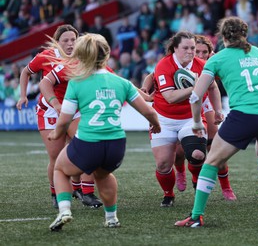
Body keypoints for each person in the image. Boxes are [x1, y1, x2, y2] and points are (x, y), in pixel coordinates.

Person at [175, 16, 258, 227]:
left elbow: (195, 96)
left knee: (211, 162)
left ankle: (196, 216)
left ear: (222, 37)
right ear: (245, 34)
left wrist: (197, 123)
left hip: (244, 115)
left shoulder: (217, 59)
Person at [47, 33, 160, 231]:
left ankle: (64, 210)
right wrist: (156, 125)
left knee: (60, 169)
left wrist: (56, 134)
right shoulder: (122, 82)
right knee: (103, 175)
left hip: (89, 143)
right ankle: (111, 217)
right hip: (116, 144)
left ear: (81, 56)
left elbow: (65, 119)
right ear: (107, 55)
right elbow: (148, 111)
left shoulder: (77, 82)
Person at [16, 24, 102, 209]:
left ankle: (85, 192)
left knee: (86, 147)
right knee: (56, 156)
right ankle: (56, 193)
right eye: (66, 40)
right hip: (50, 110)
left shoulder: (83, 56)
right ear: (57, 42)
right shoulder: (45, 57)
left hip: (75, 108)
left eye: (73, 40)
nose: (70, 44)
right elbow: (26, 72)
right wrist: (23, 95)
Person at [150, 31, 223, 207]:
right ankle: (169, 194)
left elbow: (212, 87)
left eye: (192, 48)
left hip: (191, 118)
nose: (190, 52)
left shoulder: (202, 65)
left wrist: (218, 109)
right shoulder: (164, 65)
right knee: (163, 165)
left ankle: (197, 179)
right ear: (175, 48)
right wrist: (196, 87)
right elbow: (170, 97)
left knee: (198, 155)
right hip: (163, 119)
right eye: (186, 48)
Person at [173, 34, 237, 201]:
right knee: (179, 151)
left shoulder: (214, 62)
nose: (200, 55)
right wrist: (146, 86)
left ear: (210, 53)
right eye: (197, 51)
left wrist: (218, 110)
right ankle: (180, 170)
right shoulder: (180, 59)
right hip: (183, 103)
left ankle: (226, 187)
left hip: (205, 100)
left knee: (214, 146)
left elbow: (221, 83)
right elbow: (154, 75)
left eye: (204, 52)